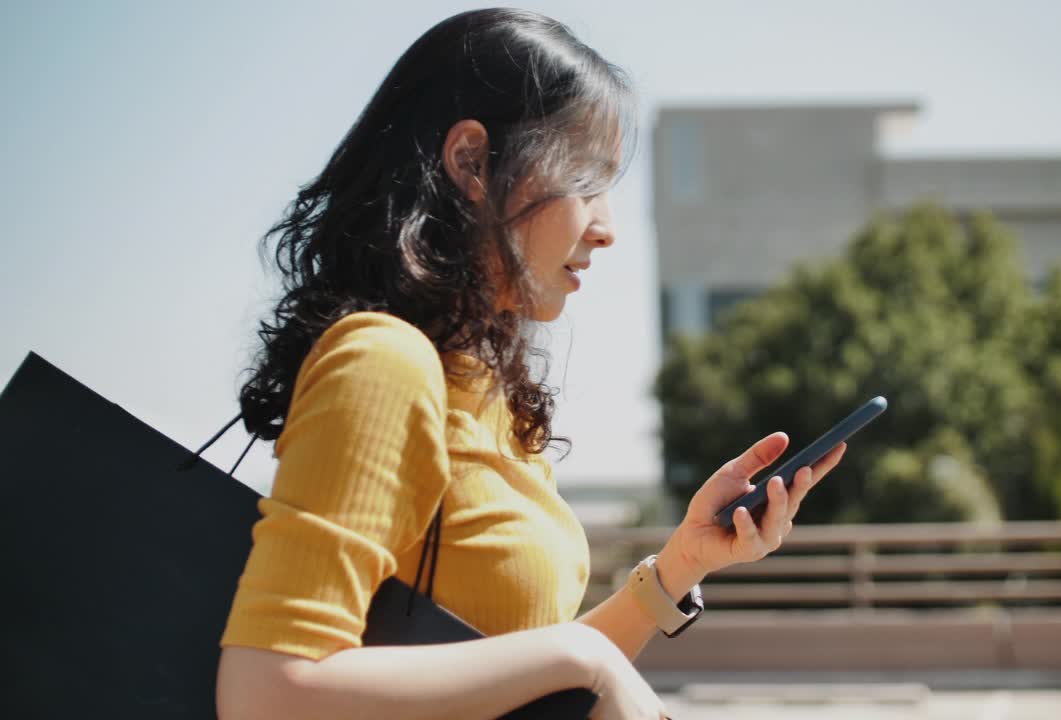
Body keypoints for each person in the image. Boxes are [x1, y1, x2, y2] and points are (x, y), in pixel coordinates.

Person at [215, 8, 847, 720]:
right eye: (585, 179)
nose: (605, 228)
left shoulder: (484, 394)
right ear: (471, 164)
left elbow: (512, 678)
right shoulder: (381, 363)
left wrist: (681, 566)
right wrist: (582, 659)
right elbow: (268, 693)